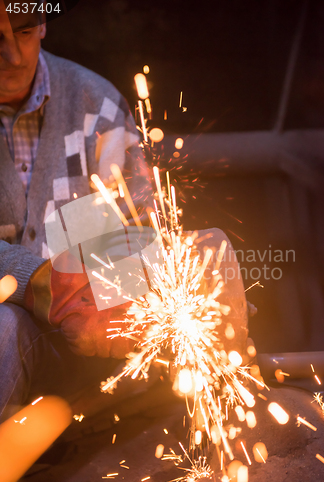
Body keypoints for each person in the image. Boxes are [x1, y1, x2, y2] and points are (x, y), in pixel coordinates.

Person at [0, 0, 249, 426]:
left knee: (201, 257)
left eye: (23, 32)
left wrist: (141, 293)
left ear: (42, 23)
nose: (14, 56)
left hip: (84, 349)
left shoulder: (96, 105)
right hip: (10, 338)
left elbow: (140, 230)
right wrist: (41, 282)